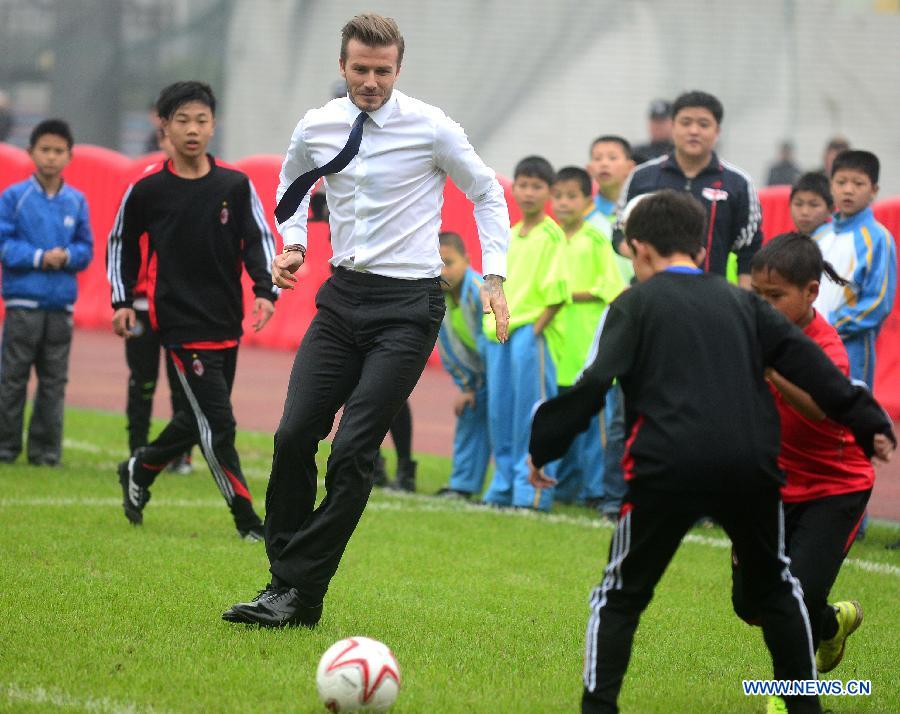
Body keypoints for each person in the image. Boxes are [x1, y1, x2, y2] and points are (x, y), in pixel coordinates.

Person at [527, 190, 895, 714]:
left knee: (622, 595)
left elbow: (593, 384)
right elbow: (808, 362)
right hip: (750, 467)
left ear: (640, 249)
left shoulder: (633, 303)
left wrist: (544, 447)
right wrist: (868, 420)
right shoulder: (744, 303)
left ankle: (598, 708)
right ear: (702, 250)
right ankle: (804, 708)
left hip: (665, 465)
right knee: (775, 592)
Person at [223, 13, 510, 628]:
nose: (371, 81)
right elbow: (291, 185)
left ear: (398, 69)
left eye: (382, 71)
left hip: (408, 307)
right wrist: (294, 241)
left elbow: (487, 193)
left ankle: (296, 588)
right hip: (341, 299)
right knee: (293, 435)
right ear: (343, 66)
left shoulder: (432, 128)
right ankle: (287, 584)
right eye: (361, 69)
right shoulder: (318, 125)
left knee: (353, 452)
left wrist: (494, 277)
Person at [107, 81, 278, 539]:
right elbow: (120, 244)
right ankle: (247, 520)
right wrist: (122, 300)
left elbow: (258, 241)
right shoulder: (148, 190)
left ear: (213, 126)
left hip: (227, 319)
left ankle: (139, 469)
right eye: (182, 120)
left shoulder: (234, 185)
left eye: (201, 120)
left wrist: (265, 290)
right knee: (219, 424)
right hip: (179, 322)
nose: (192, 129)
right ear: (164, 126)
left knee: (197, 417)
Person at [732, 233, 879, 713]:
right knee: (750, 605)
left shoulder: (825, 343)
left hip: (835, 487)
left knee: (791, 598)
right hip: (776, 485)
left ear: (811, 293)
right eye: (759, 295)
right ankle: (831, 624)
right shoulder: (749, 333)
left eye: (776, 297)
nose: (764, 305)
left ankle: (792, 695)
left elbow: (819, 408)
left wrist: (771, 370)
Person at [0, 119, 93, 466]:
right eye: (45, 150)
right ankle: (6, 447)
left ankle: (46, 451)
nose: (51, 157)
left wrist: (67, 256)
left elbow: (86, 248)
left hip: (60, 306)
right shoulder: (14, 197)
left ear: (69, 156)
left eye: (59, 151)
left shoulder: (76, 201)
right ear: (31, 153)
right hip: (23, 303)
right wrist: (41, 257)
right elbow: (4, 244)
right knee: (12, 378)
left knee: (54, 381)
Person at [481, 155, 566, 512]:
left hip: (530, 332)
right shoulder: (509, 234)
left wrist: (535, 330)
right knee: (501, 412)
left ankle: (531, 491)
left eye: (537, 186)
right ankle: (502, 486)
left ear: (549, 192)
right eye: (524, 184)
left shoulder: (552, 234)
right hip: (498, 334)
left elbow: (558, 291)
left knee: (532, 414)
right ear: (513, 187)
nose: (529, 192)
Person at [615, 90, 763, 289]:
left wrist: (746, 303)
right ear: (672, 126)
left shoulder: (738, 183)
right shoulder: (642, 177)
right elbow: (619, 235)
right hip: (651, 296)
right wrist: (649, 259)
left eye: (703, 124)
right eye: (685, 123)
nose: (694, 131)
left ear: (717, 131)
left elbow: (749, 250)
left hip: (712, 297)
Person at [549, 167, 624, 507]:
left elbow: (611, 287)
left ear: (587, 200)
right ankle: (563, 485)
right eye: (559, 196)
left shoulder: (596, 238)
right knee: (559, 413)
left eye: (571, 196)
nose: (563, 203)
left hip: (585, 338)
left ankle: (595, 489)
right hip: (556, 339)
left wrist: (568, 295)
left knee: (593, 417)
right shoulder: (549, 237)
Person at [815, 150, 896, 387]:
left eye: (858, 183)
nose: (848, 190)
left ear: (874, 191)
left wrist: (829, 326)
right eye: (841, 182)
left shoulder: (878, 238)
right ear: (831, 187)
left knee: (848, 413)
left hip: (851, 349)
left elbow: (877, 301)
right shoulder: (820, 235)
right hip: (810, 342)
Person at [434, 231, 491, 499]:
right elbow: (448, 351)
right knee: (469, 412)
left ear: (467, 260)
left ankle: (513, 490)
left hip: (502, 373)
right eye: (437, 263)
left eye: (449, 262)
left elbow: (497, 344)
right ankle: (462, 485)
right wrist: (466, 386)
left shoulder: (480, 292)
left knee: (507, 428)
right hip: (479, 377)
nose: (443, 270)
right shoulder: (437, 300)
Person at [790, 172, 833, 238]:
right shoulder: (787, 243)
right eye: (798, 204)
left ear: (830, 209)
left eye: (814, 205)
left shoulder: (837, 241)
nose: (804, 212)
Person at [631, 99, 673, 164]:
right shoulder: (636, 153)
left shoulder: (680, 153)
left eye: (661, 121)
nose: (657, 126)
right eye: (654, 120)